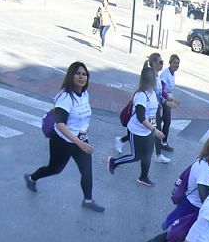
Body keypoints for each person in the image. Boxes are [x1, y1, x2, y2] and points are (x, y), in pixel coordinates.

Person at [136, 124, 209, 242]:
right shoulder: (205, 166)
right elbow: (204, 197)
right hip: (192, 208)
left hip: (195, 207)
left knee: (189, 235)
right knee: (175, 233)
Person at [24, 62, 104, 212]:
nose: (81, 76)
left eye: (84, 74)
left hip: (80, 140)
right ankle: (31, 178)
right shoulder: (66, 97)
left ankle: (88, 200)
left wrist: (81, 140)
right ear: (71, 75)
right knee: (54, 169)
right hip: (62, 140)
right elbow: (60, 124)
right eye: (77, 73)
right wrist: (79, 143)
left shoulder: (85, 95)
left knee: (87, 171)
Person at [109, 65, 165, 187]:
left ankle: (143, 177)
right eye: (155, 78)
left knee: (148, 154)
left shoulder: (152, 93)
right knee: (136, 156)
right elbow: (141, 118)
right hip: (137, 131)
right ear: (149, 80)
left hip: (148, 130)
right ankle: (113, 162)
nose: (157, 80)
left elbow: (153, 110)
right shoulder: (141, 96)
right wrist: (155, 130)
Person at [156, 54, 180, 154]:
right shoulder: (165, 74)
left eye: (178, 63)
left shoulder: (172, 73)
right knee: (167, 121)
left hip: (167, 99)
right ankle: (163, 143)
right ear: (170, 63)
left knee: (162, 121)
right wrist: (169, 99)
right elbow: (162, 89)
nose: (176, 65)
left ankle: (161, 141)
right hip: (163, 99)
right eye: (174, 63)